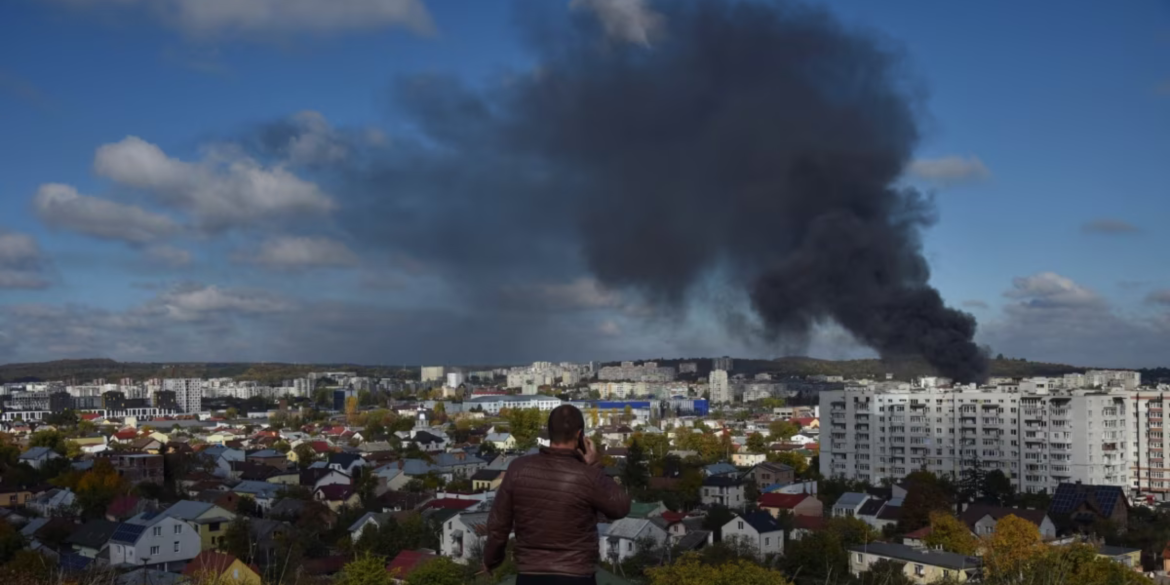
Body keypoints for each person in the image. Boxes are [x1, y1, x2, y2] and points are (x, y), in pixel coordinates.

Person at [483, 404, 630, 584]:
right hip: (577, 575)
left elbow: (499, 526)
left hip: (531, 575)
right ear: (580, 435)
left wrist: (491, 561)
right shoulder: (588, 475)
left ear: (549, 432)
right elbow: (621, 507)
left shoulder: (518, 468)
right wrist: (595, 466)